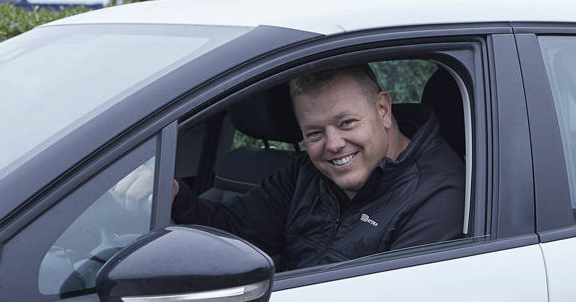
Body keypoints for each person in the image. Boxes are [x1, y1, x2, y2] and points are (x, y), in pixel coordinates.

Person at [126, 64, 465, 271]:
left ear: (383, 109)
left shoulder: (436, 194)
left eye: (346, 123)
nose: (333, 144)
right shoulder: (307, 172)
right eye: (314, 133)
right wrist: (173, 195)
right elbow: (232, 230)